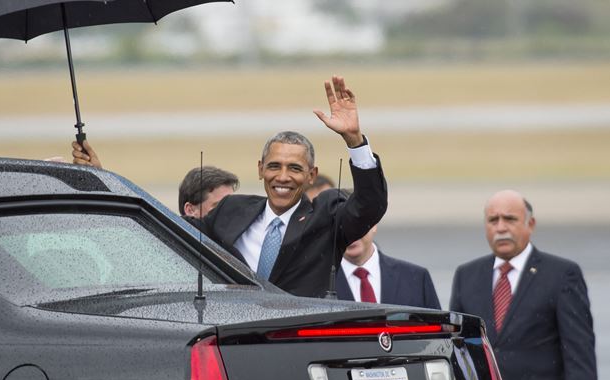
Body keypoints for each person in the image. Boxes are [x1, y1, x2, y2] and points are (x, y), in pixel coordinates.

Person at [188, 75, 386, 298]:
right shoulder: (231, 210)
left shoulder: (325, 218)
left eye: (294, 168)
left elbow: (370, 206)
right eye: (274, 166)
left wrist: (354, 140)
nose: (283, 177)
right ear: (261, 169)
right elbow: (177, 234)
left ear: (312, 175)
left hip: (295, 331)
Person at [450, 190, 597, 380]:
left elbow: (578, 343)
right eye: (493, 220)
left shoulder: (561, 274)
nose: (501, 227)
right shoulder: (467, 275)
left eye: (510, 219)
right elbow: (457, 348)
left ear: (530, 224)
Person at [334, 190, 439, 308]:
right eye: (342, 225)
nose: (351, 234)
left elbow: (436, 325)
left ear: (374, 224)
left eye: (357, 224)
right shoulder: (319, 284)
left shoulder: (416, 279)